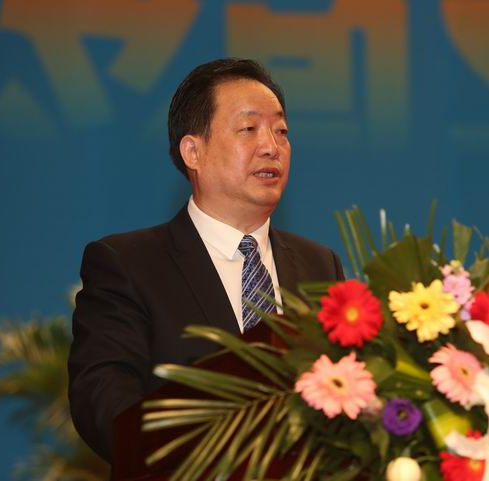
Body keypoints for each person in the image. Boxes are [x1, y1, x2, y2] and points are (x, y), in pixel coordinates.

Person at [68, 58, 345, 462]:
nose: (272, 146)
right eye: (249, 129)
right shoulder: (127, 265)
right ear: (193, 151)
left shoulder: (320, 265)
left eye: (281, 131)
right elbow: (103, 402)